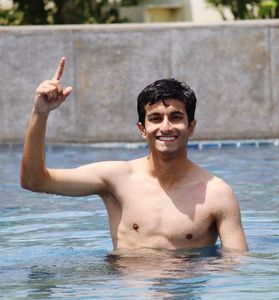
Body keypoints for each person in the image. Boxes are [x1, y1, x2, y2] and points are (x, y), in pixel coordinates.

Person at [20, 57, 248, 252]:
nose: (166, 127)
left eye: (176, 117)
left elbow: (236, 264)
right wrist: (40, 113)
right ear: (142, 129)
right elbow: (34, 180)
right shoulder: (116, 179)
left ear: (191, 127)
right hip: (124, 287)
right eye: (156, 118)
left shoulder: (218, 194)